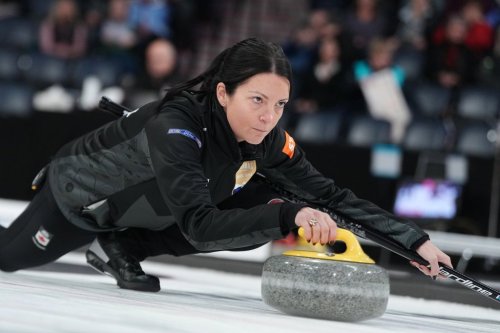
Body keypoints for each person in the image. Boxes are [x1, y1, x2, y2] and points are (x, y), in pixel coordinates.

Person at [0, 38, 452, 292]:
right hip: (79, 197)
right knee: (8, 258)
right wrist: (289, 216)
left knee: (257, 206)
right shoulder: (176, 126)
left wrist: (415, 244)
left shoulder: (268, 138)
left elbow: (331, 197)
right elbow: (198, 224)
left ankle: (125, 248)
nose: (268, 117)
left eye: (279, 104)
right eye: (257, 100)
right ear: (222, 93)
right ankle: (114, 240)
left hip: (143, 211)